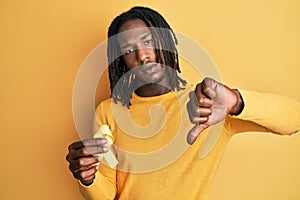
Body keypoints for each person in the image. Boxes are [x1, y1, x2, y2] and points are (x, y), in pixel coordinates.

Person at [66, 6, 300, 200]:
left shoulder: (208, 105)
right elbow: (108, 192)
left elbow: (294, 120)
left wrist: (236, 101)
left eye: (148, 41)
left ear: (165, 40)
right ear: (121, 61)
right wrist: (88, 177)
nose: (142, 56)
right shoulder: (109, 112)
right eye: (128, 50)